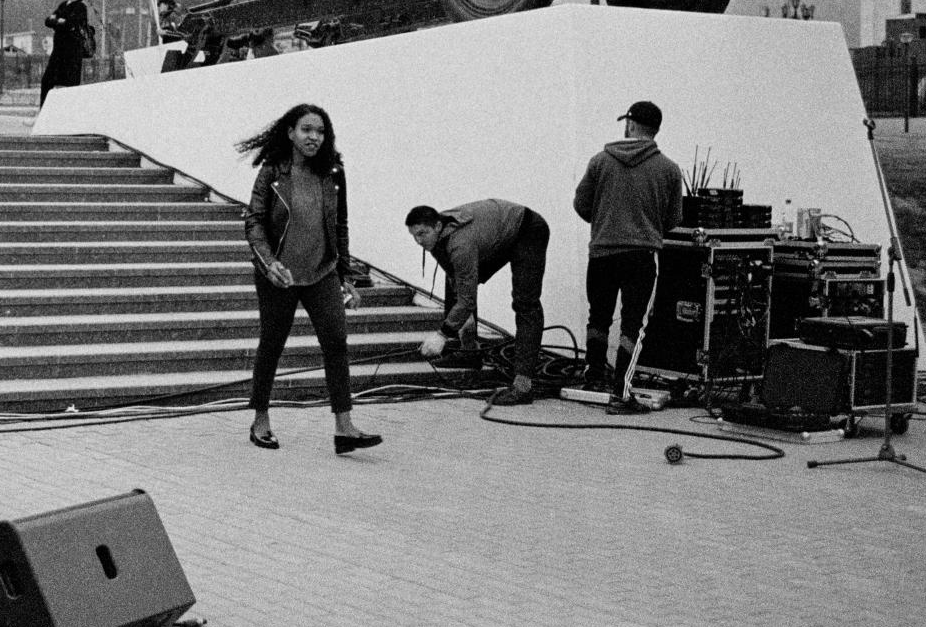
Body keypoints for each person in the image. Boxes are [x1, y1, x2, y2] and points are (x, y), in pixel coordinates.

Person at [237, 103, 380, 454]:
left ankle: (344, 428)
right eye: (306, 130)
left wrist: (346, 276)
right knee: (273, 344)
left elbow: (340, 225)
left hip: (322, 272)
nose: (314, 137)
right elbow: (254, 221)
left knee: (336, 342)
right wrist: (269, 263)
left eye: (320, 131)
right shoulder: (273, 171)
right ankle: (260, 419)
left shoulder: (333, 172)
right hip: (280, 276)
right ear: (290, 133)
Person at [573, 99, 684, 412]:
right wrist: (646, 226)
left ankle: (593, 378)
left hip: (602, 253)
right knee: (633, 324)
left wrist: (605, 222)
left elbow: (581, 204)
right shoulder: (669, 169)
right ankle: (621, 393)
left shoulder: (599, 161)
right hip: (641, 255)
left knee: (598, 316)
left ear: (631, 124)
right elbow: (674, 218)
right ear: (655, 129)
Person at [405, 200, 552, 405]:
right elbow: (459, 281)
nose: (418, 241)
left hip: (528, 229)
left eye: (422, 234)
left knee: (525, 303)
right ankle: (470, 353)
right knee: (456, 281)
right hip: (499, 231)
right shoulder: (438, 235)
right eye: (414, 236)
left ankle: (523, 387)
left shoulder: (460, 244)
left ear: (437, 226)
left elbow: (467, 299)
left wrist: (442, 334)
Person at [40, 0, 89, 106]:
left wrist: (58, 21)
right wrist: (59, 22)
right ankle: (43, 111)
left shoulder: (81, 7)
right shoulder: (63, 5)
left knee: (71, 85)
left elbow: (71, 24)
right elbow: (48, 21)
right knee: (47, 81)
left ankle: (70, 112)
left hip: (72, 52)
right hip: (58, 51)